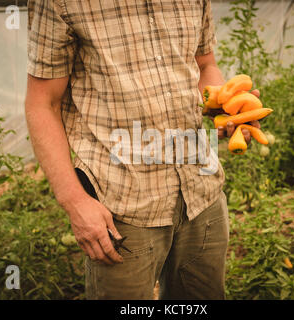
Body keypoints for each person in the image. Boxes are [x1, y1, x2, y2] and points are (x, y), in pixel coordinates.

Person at [25, 0, 260, 300]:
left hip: (203, 192)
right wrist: (74, 201)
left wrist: (224, 107)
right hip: (121, 207)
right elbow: (43, 103)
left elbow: (205, 65)